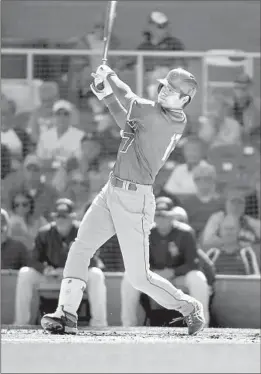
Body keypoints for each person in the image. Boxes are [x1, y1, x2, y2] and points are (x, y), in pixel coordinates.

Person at [41, 64, 205, 336]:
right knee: (81, 247)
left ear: (185, 100)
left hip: (135, 198)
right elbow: (125, 120)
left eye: (173, 90)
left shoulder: (166, 118)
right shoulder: (155, 113)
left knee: (139, 277)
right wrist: (106, 94)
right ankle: (66, 313)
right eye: (164, 85)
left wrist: (109, 77)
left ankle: (188, 307)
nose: (165, 91)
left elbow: (128, 98)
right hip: (112, 189)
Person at [14, 198, 107, 327]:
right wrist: (45, 270)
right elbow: (33, 259)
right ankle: (21, 323)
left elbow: (94, 260)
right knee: (25, 273)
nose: (60, 219)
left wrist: (67, 271)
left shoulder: (83, 230)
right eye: (58, 216)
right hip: (51, 277)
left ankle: (99, 324)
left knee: (96, 274)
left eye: (64, 216)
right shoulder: (44, 233)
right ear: (54, 217)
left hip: (76, 277)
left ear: (73, 217)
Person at [121, 196, 210, 327]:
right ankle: (128, 325)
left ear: (172, 216)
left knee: (198, 278)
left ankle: (202, 325)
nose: (161, 219)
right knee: (129, 277)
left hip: (180, 277)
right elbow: (138, 261)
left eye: (165, 215)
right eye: (158, 215)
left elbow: (193, 263)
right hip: (155, 277)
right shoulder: (146, 232)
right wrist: (154, 273)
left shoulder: (185, 233)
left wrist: (173, 272)